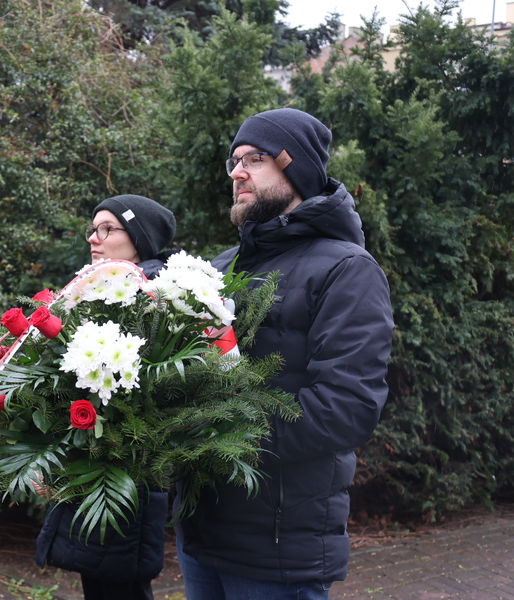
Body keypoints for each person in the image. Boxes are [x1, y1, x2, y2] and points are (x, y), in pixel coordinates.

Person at [173, 108, 394, 599]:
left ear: (296, 169)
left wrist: (219, 437)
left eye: (255, 157)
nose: (237, 171)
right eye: (233, 159)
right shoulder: (217, 270)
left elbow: (346, 411)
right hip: (200, 535)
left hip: (277, 548)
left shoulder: (347, 270)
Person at [35, 194, 178, 600]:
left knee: (120, 587)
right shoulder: (97, 290)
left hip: (121, 481)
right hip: (97, 476)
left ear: (139, 238)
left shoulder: (154, 299)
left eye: (107, 229)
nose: (94, 240)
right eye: (92, 230)